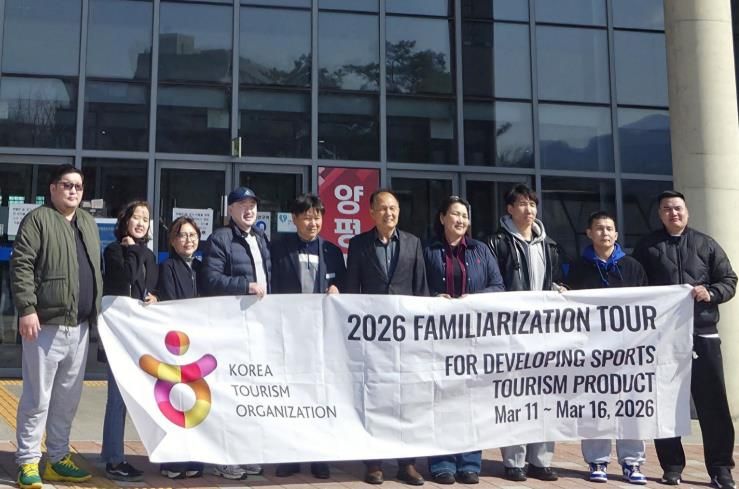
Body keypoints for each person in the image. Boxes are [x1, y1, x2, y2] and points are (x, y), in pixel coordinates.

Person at [632, 190, 737, 489]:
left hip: (702, 334)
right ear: (660, 214)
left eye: (677, 208)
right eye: (667, 209)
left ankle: (720, 469)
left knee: (713, 405)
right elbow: (635, 284)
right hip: (663, 339)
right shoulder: (647, 247)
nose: (673, 213)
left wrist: (711, 293)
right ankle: (672, 467)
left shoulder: (706, 244)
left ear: (686, 211)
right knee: (665, 403)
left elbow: (729, 280)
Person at [11, 164, 102, 489]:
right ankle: (28, 461)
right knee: (38, 398)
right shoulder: (38, 219)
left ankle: (58, 458)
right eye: (67, 185)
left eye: (78, 186)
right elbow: (22, 264)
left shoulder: (87, 223)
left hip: (80, 327)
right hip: (45, 325)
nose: (74, 191)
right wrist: (27, 309)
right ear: (52, 189)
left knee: (67, 398)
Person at [345, 188, 428, 486]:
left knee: (407, 401)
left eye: (393, 208)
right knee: (374, 399)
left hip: (406, 338)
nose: (388, 213)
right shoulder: (358, 245)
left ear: (398, 211)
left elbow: (421, 290)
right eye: (382, 208)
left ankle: (407, 463)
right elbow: (352, 291)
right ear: (371, 212)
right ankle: (374, 463)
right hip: (372, 338)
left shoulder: (413, 243)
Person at [423, 196, 504, 485]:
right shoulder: (427, 250)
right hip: (439, 338)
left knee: (472, 401)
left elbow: (498, 286)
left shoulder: (481, 250)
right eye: (455, 214)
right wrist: (434, 298)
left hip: (473, 338)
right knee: (441, 400)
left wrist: (476, 299)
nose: (460, 220)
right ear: (442, 217)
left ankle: (469, 463)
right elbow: (417, 287)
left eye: (465, 216)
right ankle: (442, 463)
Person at [564, 211, 648, 485]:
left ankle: (632, 462)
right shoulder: (577, 267)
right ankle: (597, 460)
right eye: (599, 228)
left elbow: (648, 305)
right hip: (592, 350)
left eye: (609, 228)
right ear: (589, 233)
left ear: (616, 234)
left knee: (630, 405)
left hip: (628, 350)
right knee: (595, 404)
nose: (605, 233)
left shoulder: (632, 267)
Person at [487, 183, 564, 482]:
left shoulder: (550, 245)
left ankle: (541, 460)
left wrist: (558, 290)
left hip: (544, 333)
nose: (528, 209)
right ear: (509, 209)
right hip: (512, 332)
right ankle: (515, 461)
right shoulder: (496, 243)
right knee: (515, 396)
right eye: (521, 204)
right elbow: (495, 283)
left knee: (545, 395)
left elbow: (550, 280)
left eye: (532, 204)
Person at [271, 193, 346, 480]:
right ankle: (290, 456)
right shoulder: (279, 249)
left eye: (317, 217)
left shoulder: (332, 251)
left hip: (322, 335)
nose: (312, 223)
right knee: (291, 395)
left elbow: (345, 283)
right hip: (289, 333)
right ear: (294, 219)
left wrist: (338, 288)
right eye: (306, 217)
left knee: (320, 394)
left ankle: (319, 457)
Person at [200, 185, 270, 480]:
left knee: (250, 393)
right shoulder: (221, 238)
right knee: (227, 393)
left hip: (258, 327)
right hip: (230, 327)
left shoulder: (261, 238)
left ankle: (245, 452)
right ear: (230, 210)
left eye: (252, 205)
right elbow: (210, 279)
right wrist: (246, 285)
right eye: (242, 205)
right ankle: (224, 457)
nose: (249, 210)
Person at [100, 200, 158, 482]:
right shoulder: (114, 251)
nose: (141, 223)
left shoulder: (149, 254)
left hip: (141, 338)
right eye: (137, 217)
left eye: (146, 219)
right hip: (119, 336)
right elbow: (128, 276)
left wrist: (154, 297)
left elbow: (150, 286)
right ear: (125, 221)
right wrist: (132, 249)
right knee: (117, 398)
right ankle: (113, 459)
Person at [156, 216, 205, 479]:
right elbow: (172, 302)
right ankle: (173, 461)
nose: (188, 240)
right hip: (177, 345)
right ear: (173, 241)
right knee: (176, 403)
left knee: (197, 404)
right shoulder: (167, 267)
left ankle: (195, 457)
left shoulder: (202, 267)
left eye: (193, 235)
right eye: (182, 235)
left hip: (200, 345)